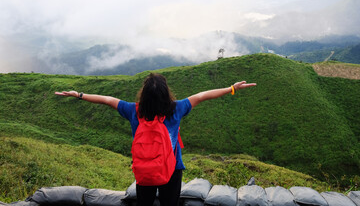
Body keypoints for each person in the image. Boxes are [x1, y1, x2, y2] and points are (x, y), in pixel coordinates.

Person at [55, 73, 256, 206]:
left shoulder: (133, 111)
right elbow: (203, 95)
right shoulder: (177, 109)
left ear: (144, 95)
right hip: (172, 168)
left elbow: (106, 100)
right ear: (166, 93)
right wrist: (232, 88)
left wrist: (79, 94)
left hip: (144, 169)